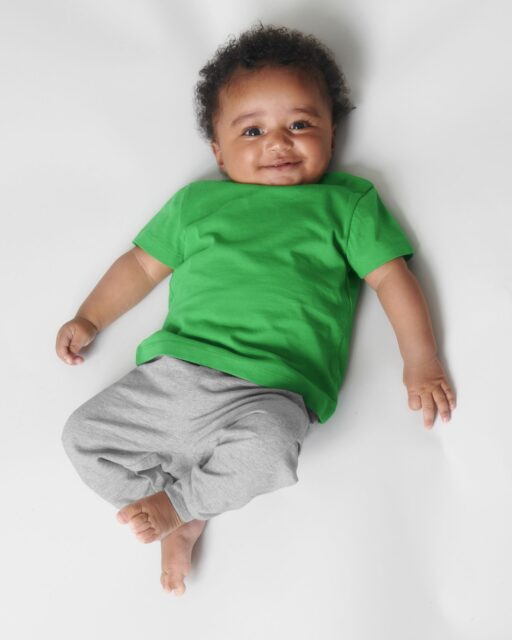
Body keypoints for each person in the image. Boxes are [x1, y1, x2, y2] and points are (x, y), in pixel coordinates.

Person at [56, 22, 457, 597]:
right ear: (218, 150)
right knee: (82, 436)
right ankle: (176, 509)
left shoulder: (345, 205)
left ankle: (182, 506)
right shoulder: (197, 203)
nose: (278, 143)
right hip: (174, 378)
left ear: (332, 134)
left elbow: (392, 278)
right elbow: (141, 266)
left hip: (275, 391)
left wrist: (421, 359)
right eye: (252, 130)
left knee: (270, 450)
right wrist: (90, 317)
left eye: (300, 125)